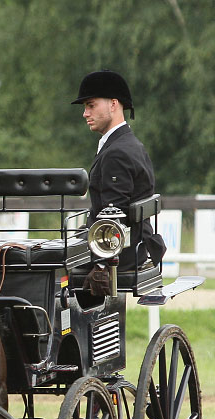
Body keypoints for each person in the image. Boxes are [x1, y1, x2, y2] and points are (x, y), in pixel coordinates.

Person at [72, 70, 166, 290]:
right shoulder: (130, 144)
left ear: (113, 105)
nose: (85, 113)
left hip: (121, 254)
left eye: (91, 105)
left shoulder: (117, 152)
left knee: (46, 264)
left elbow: (114, 213)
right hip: (135, 245)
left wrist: (102, 266)